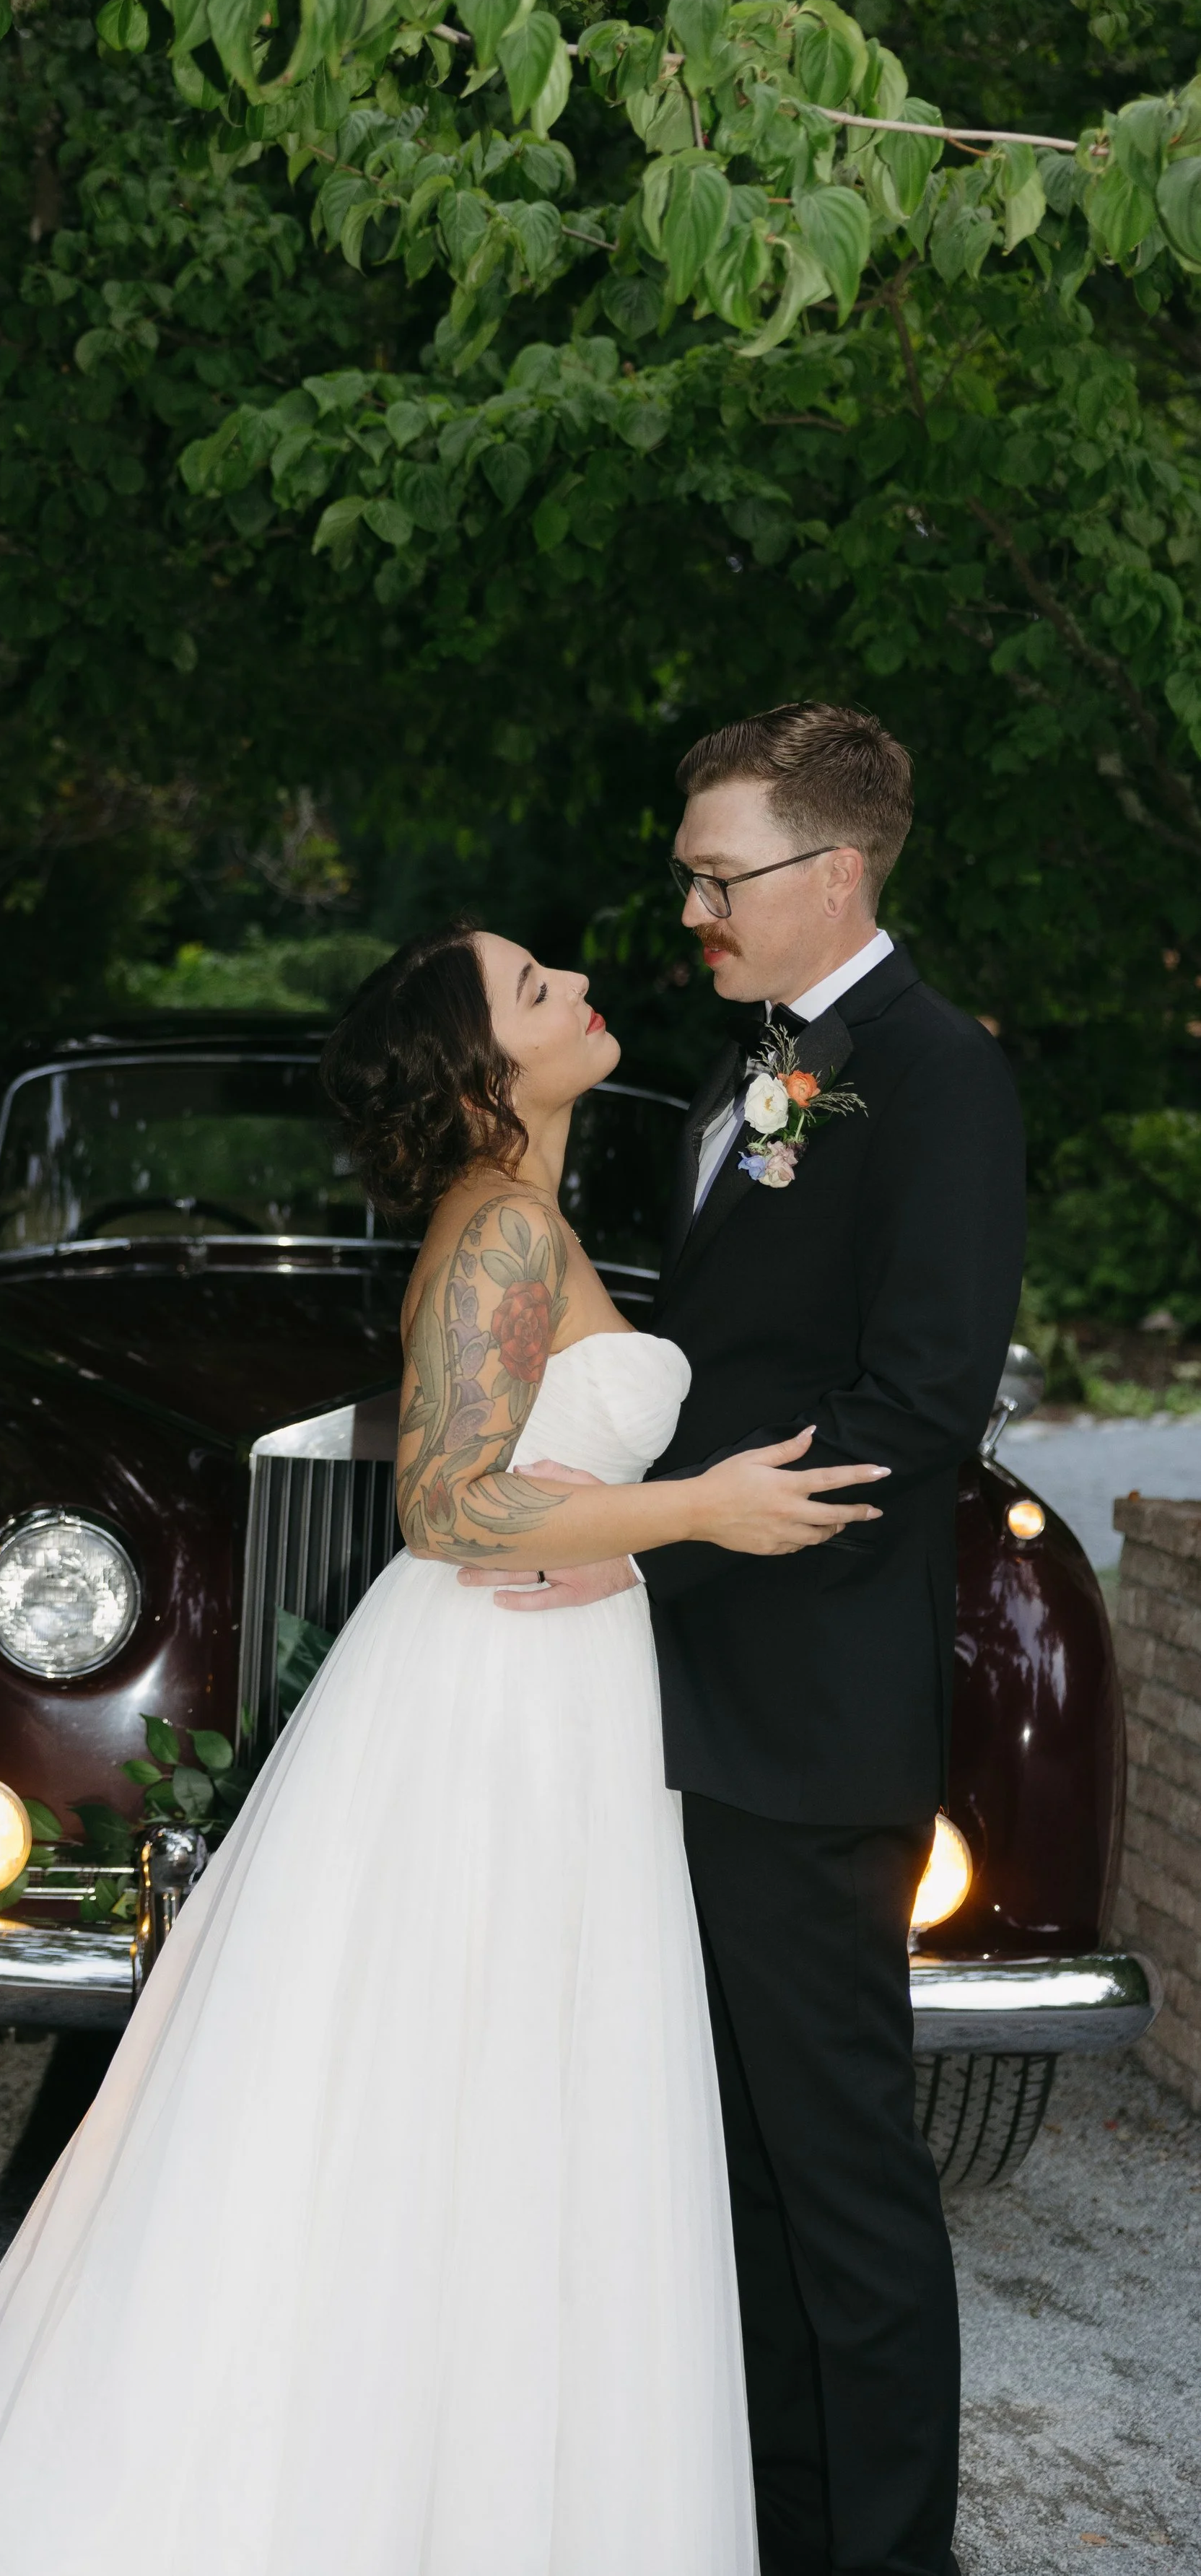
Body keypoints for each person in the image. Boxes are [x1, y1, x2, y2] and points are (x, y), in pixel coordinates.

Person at [0, 920, 888, 2576]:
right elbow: (439, 1500)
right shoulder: (490, 1230)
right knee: (458, 2075)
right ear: (483, 1064)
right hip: (492, 1699)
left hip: (547, 1687)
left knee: (506, 2084)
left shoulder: (526, 1218)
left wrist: (651, 1528)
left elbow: (524, 1478)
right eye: (529, 986)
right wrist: (702, 1508)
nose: (571, 984)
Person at [464, 704, 1025, 2576]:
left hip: (804, 1707)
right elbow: (707, 1373)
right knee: (731, 2175)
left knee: (843, 2185)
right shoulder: (744, 1073)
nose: (688, 903)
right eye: (692, 869)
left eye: (719, 873)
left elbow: (917, 1400)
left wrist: (647, 1556)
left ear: (832, 870)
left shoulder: (935, 1076)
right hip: (674, 1696)